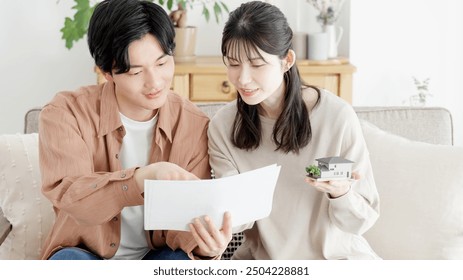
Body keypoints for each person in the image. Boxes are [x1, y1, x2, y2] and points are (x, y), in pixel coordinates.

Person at [38, 0, 231, 260]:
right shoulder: (65, 113)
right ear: (107, 72)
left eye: (162, 64)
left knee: (185, 261)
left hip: (156, 255)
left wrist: (205, 246)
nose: (155, 83)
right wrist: (139, 180)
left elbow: (187, 220)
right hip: (84, 254)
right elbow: (74, 201)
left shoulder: (193, 124)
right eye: (136, 72)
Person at [208, 1, 380, 260]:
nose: (242, 79)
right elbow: (236, 219)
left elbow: (359, 222)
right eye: (233, 63)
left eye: (256, 64)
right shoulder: (223, 126)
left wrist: (341, 192)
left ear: (287, 60)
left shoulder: (336, 117)